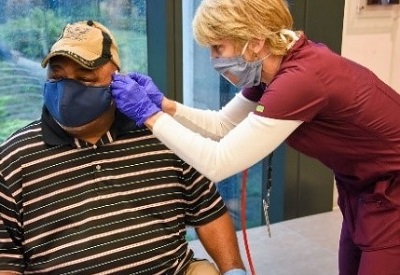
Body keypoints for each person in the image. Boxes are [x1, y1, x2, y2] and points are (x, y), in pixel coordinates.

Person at [110, 0, 400, 274]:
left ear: (256, 41)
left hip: (392, 189)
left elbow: (218, 163)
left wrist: (148, 115)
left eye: (217, 47)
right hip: (360, 187)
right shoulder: (271, 70)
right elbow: (222, 124)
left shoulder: (301, 79)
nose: (213, 59)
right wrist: (165, 106)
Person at [0, 20, 247, 275]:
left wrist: (233, 270)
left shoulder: (164, 135)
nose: (66, 91)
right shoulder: (14, 159)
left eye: (84, 78)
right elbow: (5, 259)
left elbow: (208, 211)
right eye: (57, 76)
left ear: (116, 81)